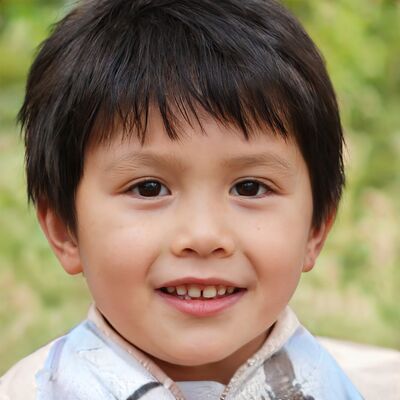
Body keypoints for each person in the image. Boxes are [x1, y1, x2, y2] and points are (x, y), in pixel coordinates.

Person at [0, 0, 364, 398]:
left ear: (316, 228)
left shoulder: (329, 388)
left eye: (249, 187)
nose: (204, 235)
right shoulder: (37, 390)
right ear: (64, 230)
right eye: (148, 188)